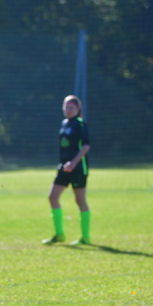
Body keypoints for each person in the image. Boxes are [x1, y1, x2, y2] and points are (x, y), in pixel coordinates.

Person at [42, 95, 91, 245]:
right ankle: (59, 234)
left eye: (71, 107)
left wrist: (73, 163)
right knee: (52, 197)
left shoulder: (80, 124)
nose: (68, 110)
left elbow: (86, 146)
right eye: (66, 107)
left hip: (77, 168)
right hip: (63, 168)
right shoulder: (64, 123)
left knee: (80, 200)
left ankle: (85, 237)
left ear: (77, 109)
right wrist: (65, 164)